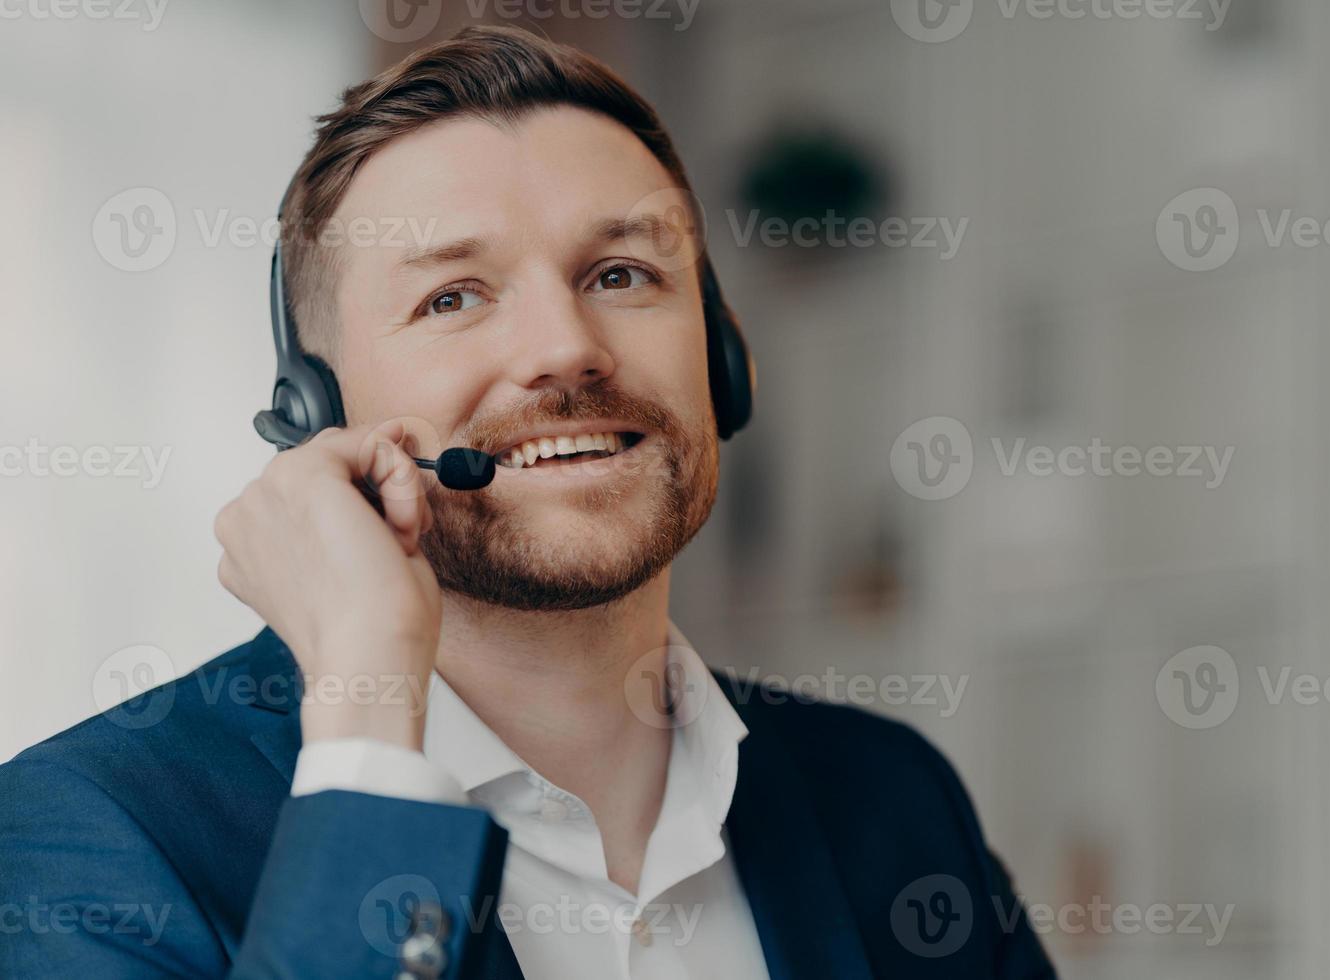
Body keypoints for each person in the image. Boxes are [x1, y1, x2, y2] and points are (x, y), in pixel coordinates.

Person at [0, 25, 1054, 980]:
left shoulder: (892, 797)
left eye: (623, 273)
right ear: (316, 413)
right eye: (452, 296)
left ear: (722, 359)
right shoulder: (92, 837)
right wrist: (368, 725)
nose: (565, 348)